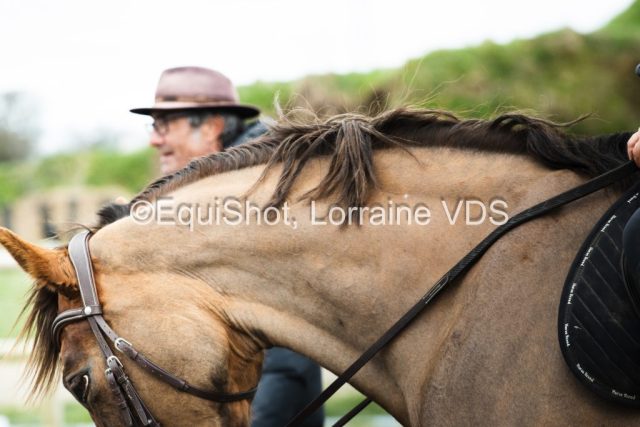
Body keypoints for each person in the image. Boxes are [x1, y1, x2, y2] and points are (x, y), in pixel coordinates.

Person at [130, 66, 324, 426]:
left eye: (164, 125)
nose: (154, 140)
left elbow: (285, 347)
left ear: (211, 127)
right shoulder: (217, 193)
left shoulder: (264, 194)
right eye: (153, 125)